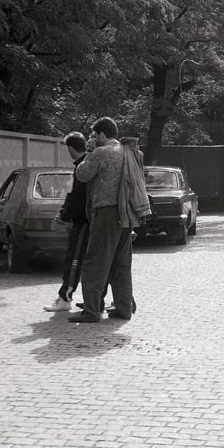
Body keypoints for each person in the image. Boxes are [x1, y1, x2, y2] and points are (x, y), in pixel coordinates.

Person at [68, 117, 145, 323]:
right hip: (126, 213)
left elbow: (82, 174)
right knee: (121, 264)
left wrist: (90, 151)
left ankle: (91, 311)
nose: (93, 139)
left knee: (95, 262)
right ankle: (123, 308)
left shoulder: (101, 153)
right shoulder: (130, 152)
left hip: (106, 213)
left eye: (94, 135)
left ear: (102, 134)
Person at [44, 132, 89, 312]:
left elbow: (77, 198)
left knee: (74, 260)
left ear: (70, 148)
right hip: (84, 221)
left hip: (82, 223)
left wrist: (65, 216)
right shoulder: (85, 165)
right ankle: (94, 299)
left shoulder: (82, 167)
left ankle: (65, 298)